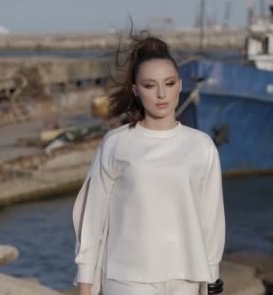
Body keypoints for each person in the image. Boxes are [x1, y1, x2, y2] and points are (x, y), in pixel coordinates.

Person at [72, 33, 226, 295]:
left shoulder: (202, 146)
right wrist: (86, 285)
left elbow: (211, 220)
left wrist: (211, 279)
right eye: (150, 85)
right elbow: (92, 220)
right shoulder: (116, 143)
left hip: (185, 276)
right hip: (127, 276)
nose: (161, 94)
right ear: (135, 90)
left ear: (179, 85)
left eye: (168, 83)